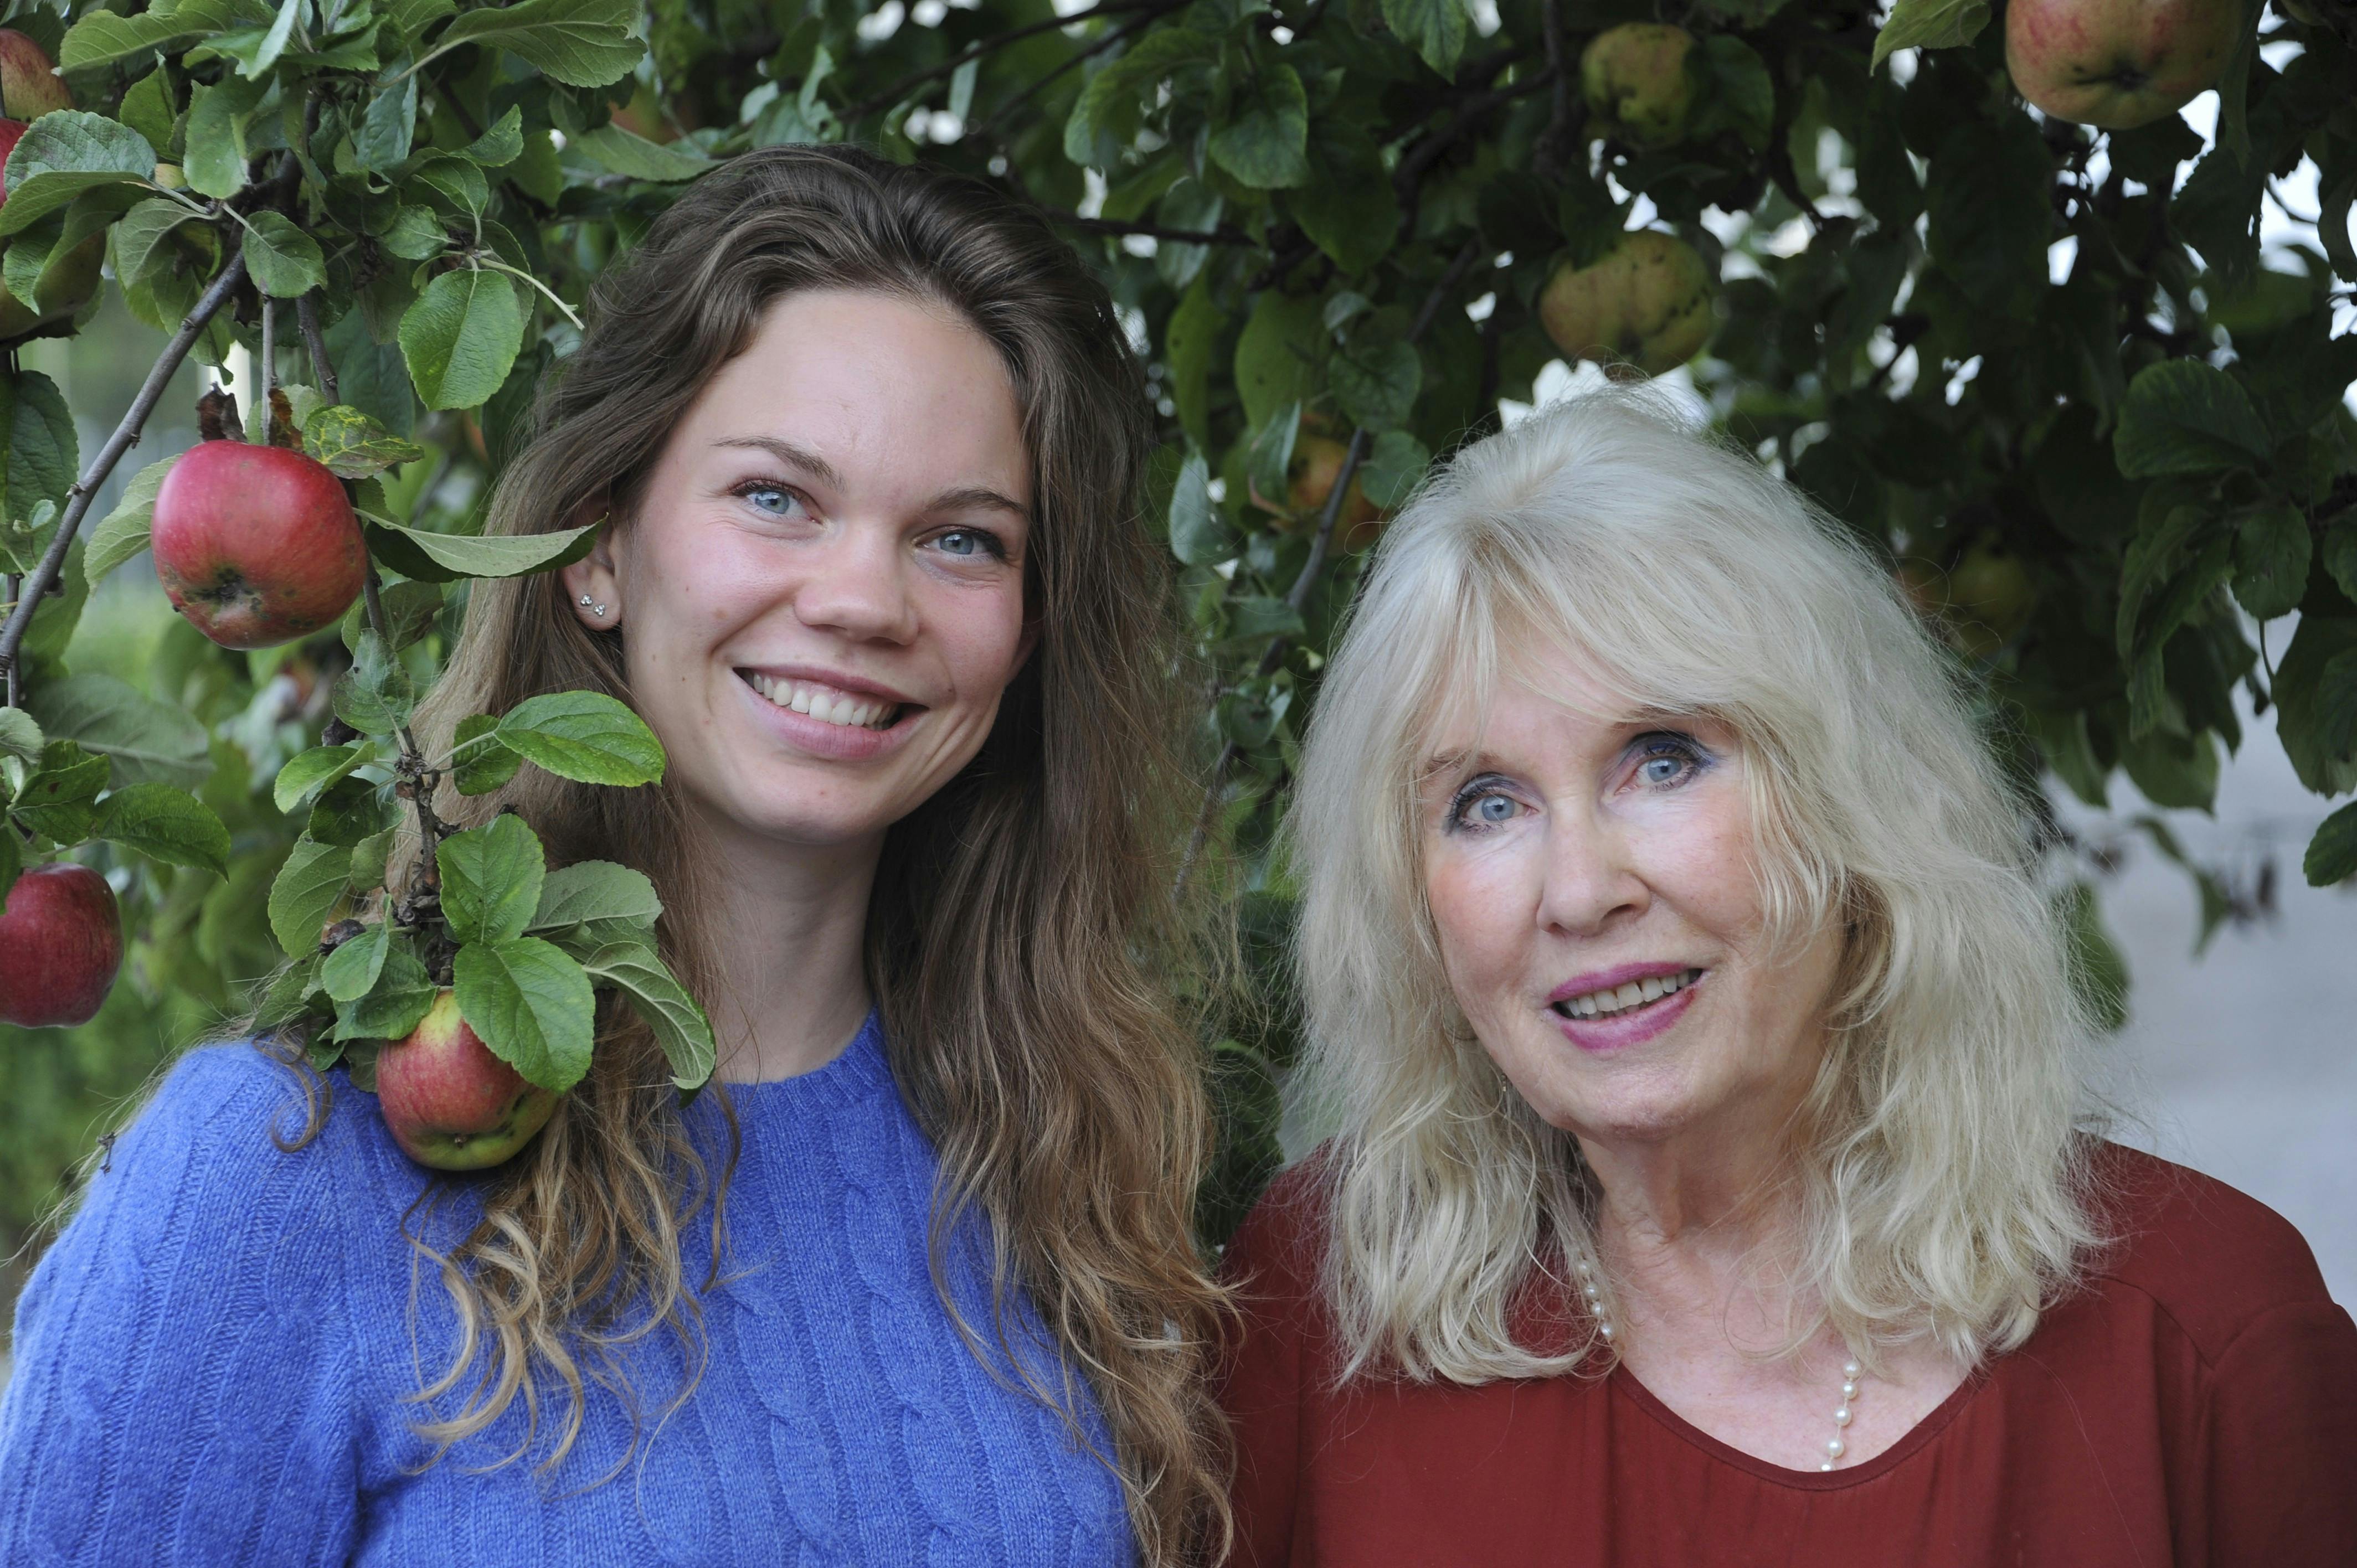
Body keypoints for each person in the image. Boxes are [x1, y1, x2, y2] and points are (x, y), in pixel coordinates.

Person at [0, 146, 1229, 1565]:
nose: (861, 600)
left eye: (961, 539)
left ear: (1023, 633)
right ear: (597, 548)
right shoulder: (282, 1175)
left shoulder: (1055, 1165)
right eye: (777, 497)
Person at [1218, 390, 2357, 1565]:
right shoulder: (1324, 1313)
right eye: (1486, 803)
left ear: (1852, 811)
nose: (1576, 890)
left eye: (1663, 760)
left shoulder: (2206, 1335)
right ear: (1414, 907)